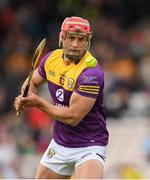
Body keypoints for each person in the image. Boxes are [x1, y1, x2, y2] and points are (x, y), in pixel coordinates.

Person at [14, 16, 109, 179]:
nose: (75, 44)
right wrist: (25, 95)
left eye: (81, 40)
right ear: (62, 37)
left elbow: (73, 117)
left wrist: (36, 102)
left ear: (88, 41)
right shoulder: (52, 58)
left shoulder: (91, 73)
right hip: (60, 143)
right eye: (71, 38)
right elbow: (32, 83)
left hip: (88, 145)